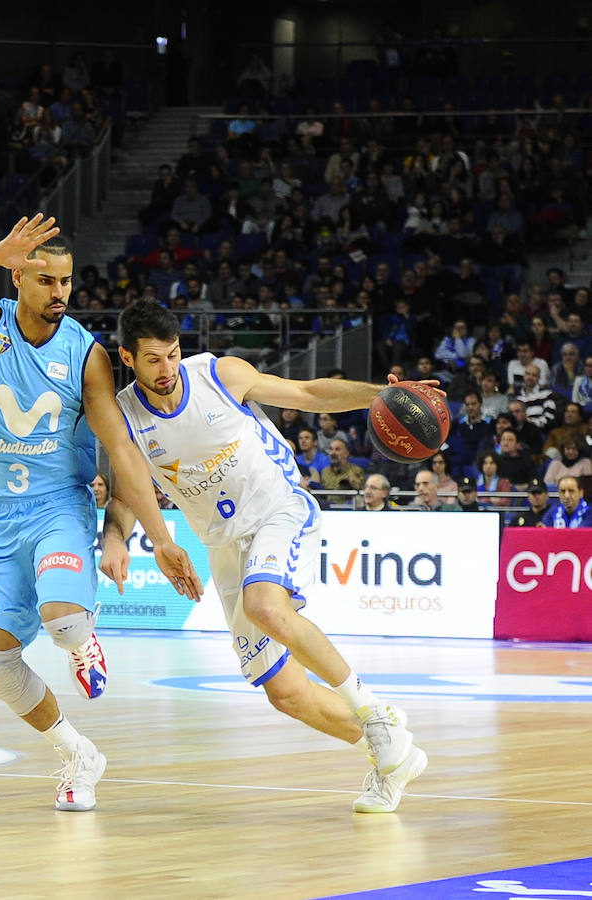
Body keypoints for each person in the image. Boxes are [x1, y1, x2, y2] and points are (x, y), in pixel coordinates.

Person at [0, 215, 201, 813]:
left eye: (67, 282)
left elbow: (119, 450)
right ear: (18, 277)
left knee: (64, 620)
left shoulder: (87, 355)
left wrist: (158, 536)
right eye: (47, 281)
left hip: (55, 507)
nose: (60, 293)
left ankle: (83, 641)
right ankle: (77, 754)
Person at [102, 298, 431, 814]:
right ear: (127, 357)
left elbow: (307, 393)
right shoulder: (124, 415)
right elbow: (125, 493)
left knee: (265, 606)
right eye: (152, 359)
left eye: (171, 355)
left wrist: (380, 393)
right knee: (286, 693)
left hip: (279, 509)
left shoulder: (219, 375)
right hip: (224, 546)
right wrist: (116, 540)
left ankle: (376, 715)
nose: (166, 369)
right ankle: (391, 755)